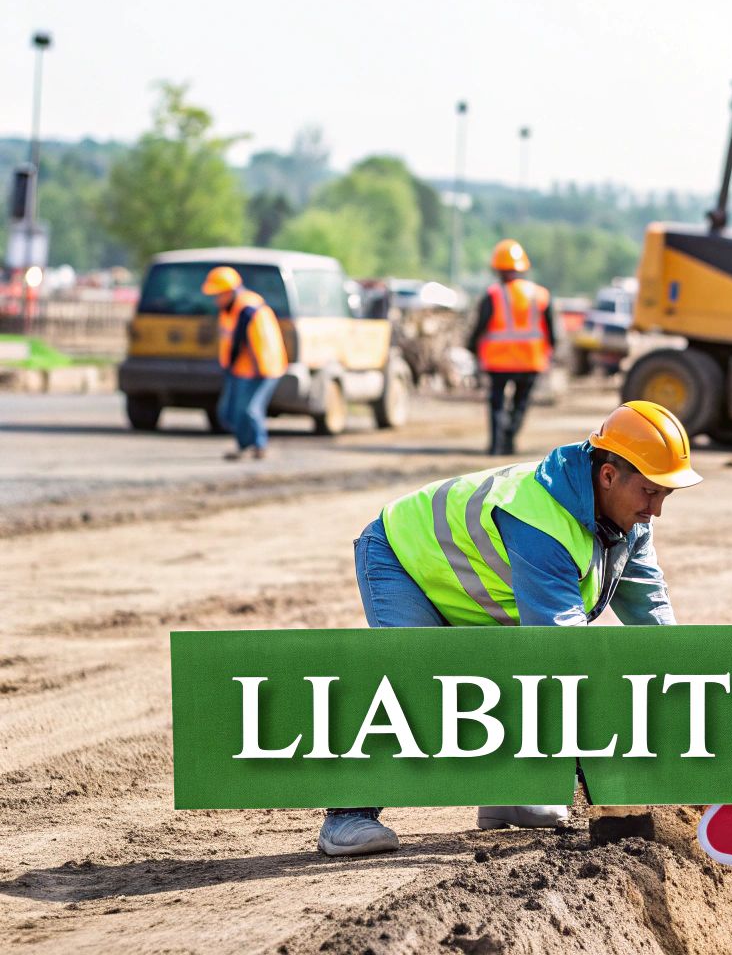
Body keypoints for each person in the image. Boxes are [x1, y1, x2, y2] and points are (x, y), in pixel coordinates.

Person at [318, 400, 703, 857]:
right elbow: (564, 655)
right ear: (607, 476)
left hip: (471, 588)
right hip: (404, 560)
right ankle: (347, 815)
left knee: (506, 668)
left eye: (665, 495)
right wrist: (608, 763)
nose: (656, 509)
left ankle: (511, 794)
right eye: (649, 492)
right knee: (414, 681)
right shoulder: (541, 521)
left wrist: (684, 699)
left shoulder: (628, 522)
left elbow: (652, 617)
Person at [468, 239, 555, 456]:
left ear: (497, 269)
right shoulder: (540, 294)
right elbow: (551, 330)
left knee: (497, 403)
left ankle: (497, 445)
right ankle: (510, 439)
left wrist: (471, 347)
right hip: (530, 360)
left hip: (499, 361)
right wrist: (551, 351)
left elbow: (480, 325)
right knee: (520, 404)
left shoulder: (493, 295)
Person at [201, 265, 287, 461]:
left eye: (218, 295)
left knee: (249, 409)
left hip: (261, 369)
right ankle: (245, 445)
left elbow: (243, 342)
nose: (216, 300)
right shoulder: (231, 309)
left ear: (230, 291)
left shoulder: (247, 309)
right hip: (243, 368)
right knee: (231, 411)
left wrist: (237, 366)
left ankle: (258, 446)